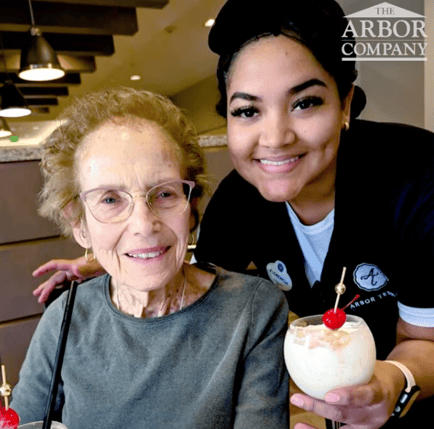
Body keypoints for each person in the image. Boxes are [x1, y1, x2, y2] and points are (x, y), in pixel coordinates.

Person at [32, 1, 434, 428]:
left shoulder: (416, 181)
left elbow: (422, 340)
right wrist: (114, 255)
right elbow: (197, 274)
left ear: (346, 104)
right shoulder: (240, 201)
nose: (275, 138)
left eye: (305, 103)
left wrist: (395, 380)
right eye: (247, 110)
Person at [11, 88, 289, 429]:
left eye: (165, 194)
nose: (144, 225)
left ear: (192, 208)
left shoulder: (252, 311)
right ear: (79, 224)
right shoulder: (64, 320)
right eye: (111, 200)